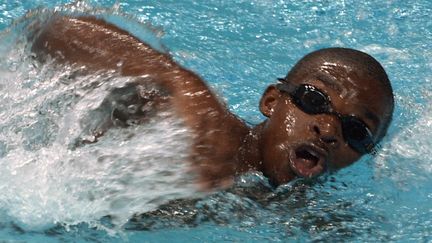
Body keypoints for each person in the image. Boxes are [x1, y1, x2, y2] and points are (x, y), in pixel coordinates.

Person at [30, 15, 394, 189]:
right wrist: (182, 85)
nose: (329, 129)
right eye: (314, 99)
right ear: (271, 101)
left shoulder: (313, 222)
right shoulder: (181, 126)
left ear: (363, 154)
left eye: (356, 131)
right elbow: (48, 30)